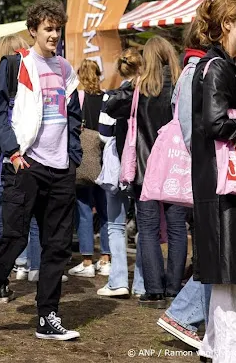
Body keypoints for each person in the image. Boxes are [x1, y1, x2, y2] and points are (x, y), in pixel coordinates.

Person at [0, 0, 81, 341]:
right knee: (12, 239)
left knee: (58, 246)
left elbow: (73, 115)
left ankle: (48, 316)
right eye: (48, 28)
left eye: (57, 28)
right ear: (33, 30)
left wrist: (72, 155)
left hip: (61, 169)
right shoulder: (17, 65)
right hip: (27, 165)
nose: (54, 35)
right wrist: (14, 153)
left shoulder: (65, 68)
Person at [190, 0, 236, 363]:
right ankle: (230, 355)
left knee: (232, 281)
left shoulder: (224, 66)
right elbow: (213, 123)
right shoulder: (216, 68)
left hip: (224, 185)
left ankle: (216, 350)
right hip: (225, 188)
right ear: (228, 23)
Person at [106, 37, 183, 309]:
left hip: (146, 167)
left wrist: (131, 85)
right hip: (175, 167)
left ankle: (154, 290)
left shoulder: (141, 89)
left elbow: (109, 106)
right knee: (176, 228)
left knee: (148, 229)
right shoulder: (181, 85)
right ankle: (174, 287)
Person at [155, 21, 212, 348]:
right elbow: (192, 133)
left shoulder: (193, 72)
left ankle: (187, 312)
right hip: (201, 177)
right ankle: (184, 313)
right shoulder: (195, 73)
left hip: (195, 176)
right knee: (209, 249)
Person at [96, 48, 146, 299]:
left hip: (118, 164)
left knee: (115, 224)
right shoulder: (150, 94)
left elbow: (104, 134)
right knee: (145, 225)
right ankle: (141, 282)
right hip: (144, 164)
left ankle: (118, 280)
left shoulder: (112, 97)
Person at [69, 60, 110, 278]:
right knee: (104, 210)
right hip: (102, 161)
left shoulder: (78, 96)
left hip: (83, 162)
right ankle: (105, 258)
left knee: (84, 211)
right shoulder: (105, 98)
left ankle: (87, 261)